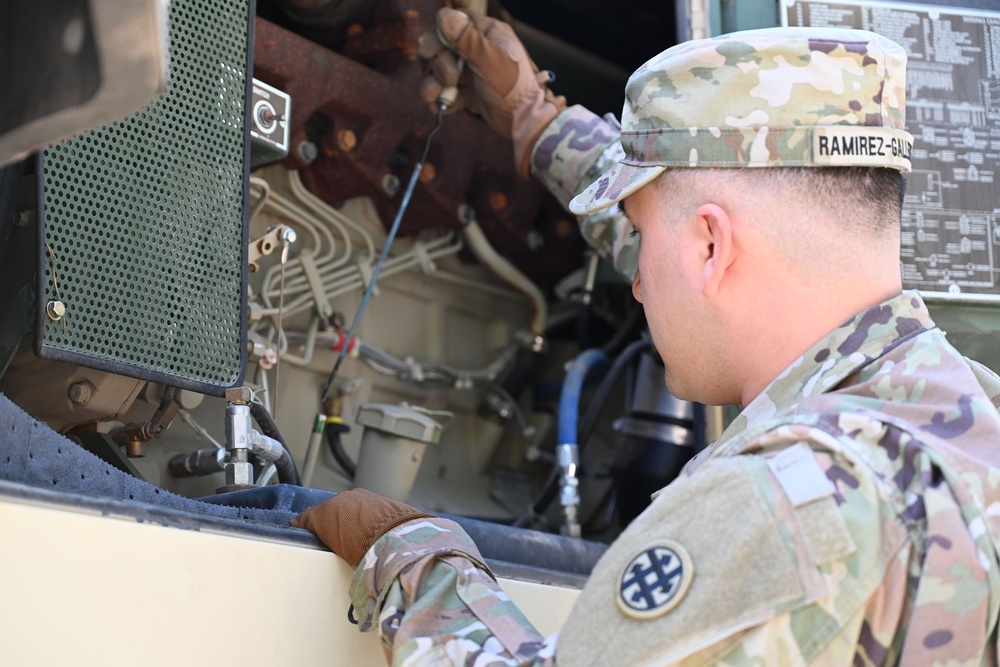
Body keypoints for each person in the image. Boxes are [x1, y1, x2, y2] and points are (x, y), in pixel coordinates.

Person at [291, 11, 1000, 666]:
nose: (636, 279)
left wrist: (416, 558)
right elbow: (705, 254)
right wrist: (537, 120)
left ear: (712, 247)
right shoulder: (968, 419)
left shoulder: (776, 511)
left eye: (638, 232)